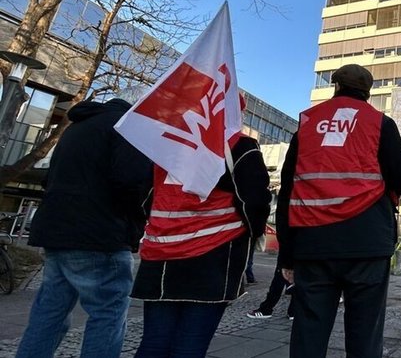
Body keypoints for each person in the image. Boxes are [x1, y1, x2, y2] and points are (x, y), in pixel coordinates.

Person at [275, 64, 401, 358]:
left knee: (308, 334)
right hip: (367, 245)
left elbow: (289, 193)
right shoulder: (380, 123)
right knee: (364, 336)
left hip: (313, 244)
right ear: (367, 93)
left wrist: (287, 255)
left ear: (336, 86)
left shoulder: (307, 125)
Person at [16, 90, 153, 358]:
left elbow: (49, 178)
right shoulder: (128, 127)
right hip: (100, 234)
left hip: (57, 232)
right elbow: (132, 183)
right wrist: (137, 221)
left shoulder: (78, 127)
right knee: (108, 313)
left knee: (49, 312)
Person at [132, 128, 271, 357]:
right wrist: (253, 233)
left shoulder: (168, 141)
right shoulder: (240, 144)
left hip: (161, 253)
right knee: (190, 345)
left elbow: (145, 196)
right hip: (214, 253)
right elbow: (255, 200)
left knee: (154, 343)